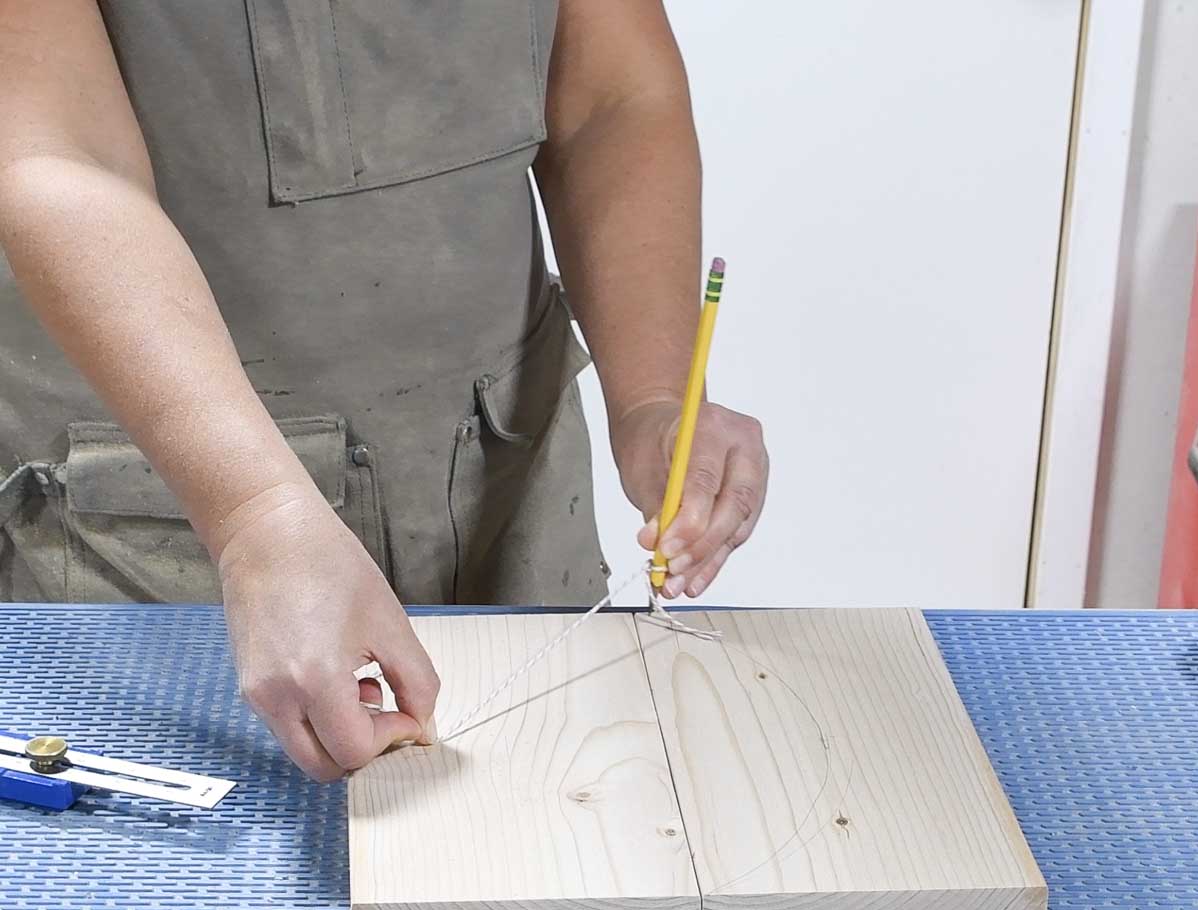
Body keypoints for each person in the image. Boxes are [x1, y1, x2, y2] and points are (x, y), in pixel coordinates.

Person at [0, 0, 769, 780]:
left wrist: (653, 396)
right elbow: (54, 153)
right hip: (157, 524)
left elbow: (609, 99)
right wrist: (253, 516)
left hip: (507, 486)